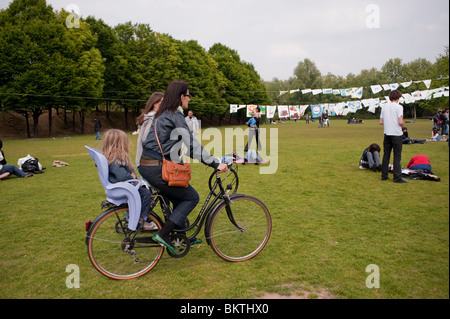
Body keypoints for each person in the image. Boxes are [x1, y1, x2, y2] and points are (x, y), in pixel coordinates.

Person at [139, 80, 228, 254]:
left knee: (179, 198)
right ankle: (164, 234)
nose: (189, 99)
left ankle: (181, 234)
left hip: (149, 165)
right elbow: (192, 146)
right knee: (191, 197)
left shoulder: (162, 114)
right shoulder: (174, 115)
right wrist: (215, 163)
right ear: (181, 96)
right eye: (188, 95)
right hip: (157, 168)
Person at [102, 129, 156, 231]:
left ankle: (131, 217)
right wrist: (132, 177)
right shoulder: (116, 158)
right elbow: (122, 176)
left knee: (140, 195)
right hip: (124, 187)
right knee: (146, 194)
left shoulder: (110, 157)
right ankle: (141, 219)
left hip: (119, 187)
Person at [380, 89, 407, 183]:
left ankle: (384, 175)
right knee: (397, 156)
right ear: (398, 98)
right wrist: (403, 126)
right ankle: (397, 177)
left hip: (387, 133)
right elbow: (400, 121)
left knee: (386, 154)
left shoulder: (384, 107)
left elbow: (381, 122)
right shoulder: (399, 107)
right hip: (396, 133)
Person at [135, 92, 164, 168]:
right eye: (163, 102)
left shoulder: (150, 117)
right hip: (150, 162)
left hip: (146, 160)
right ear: (155, 104)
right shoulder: (153, 118)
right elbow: (146, 139)